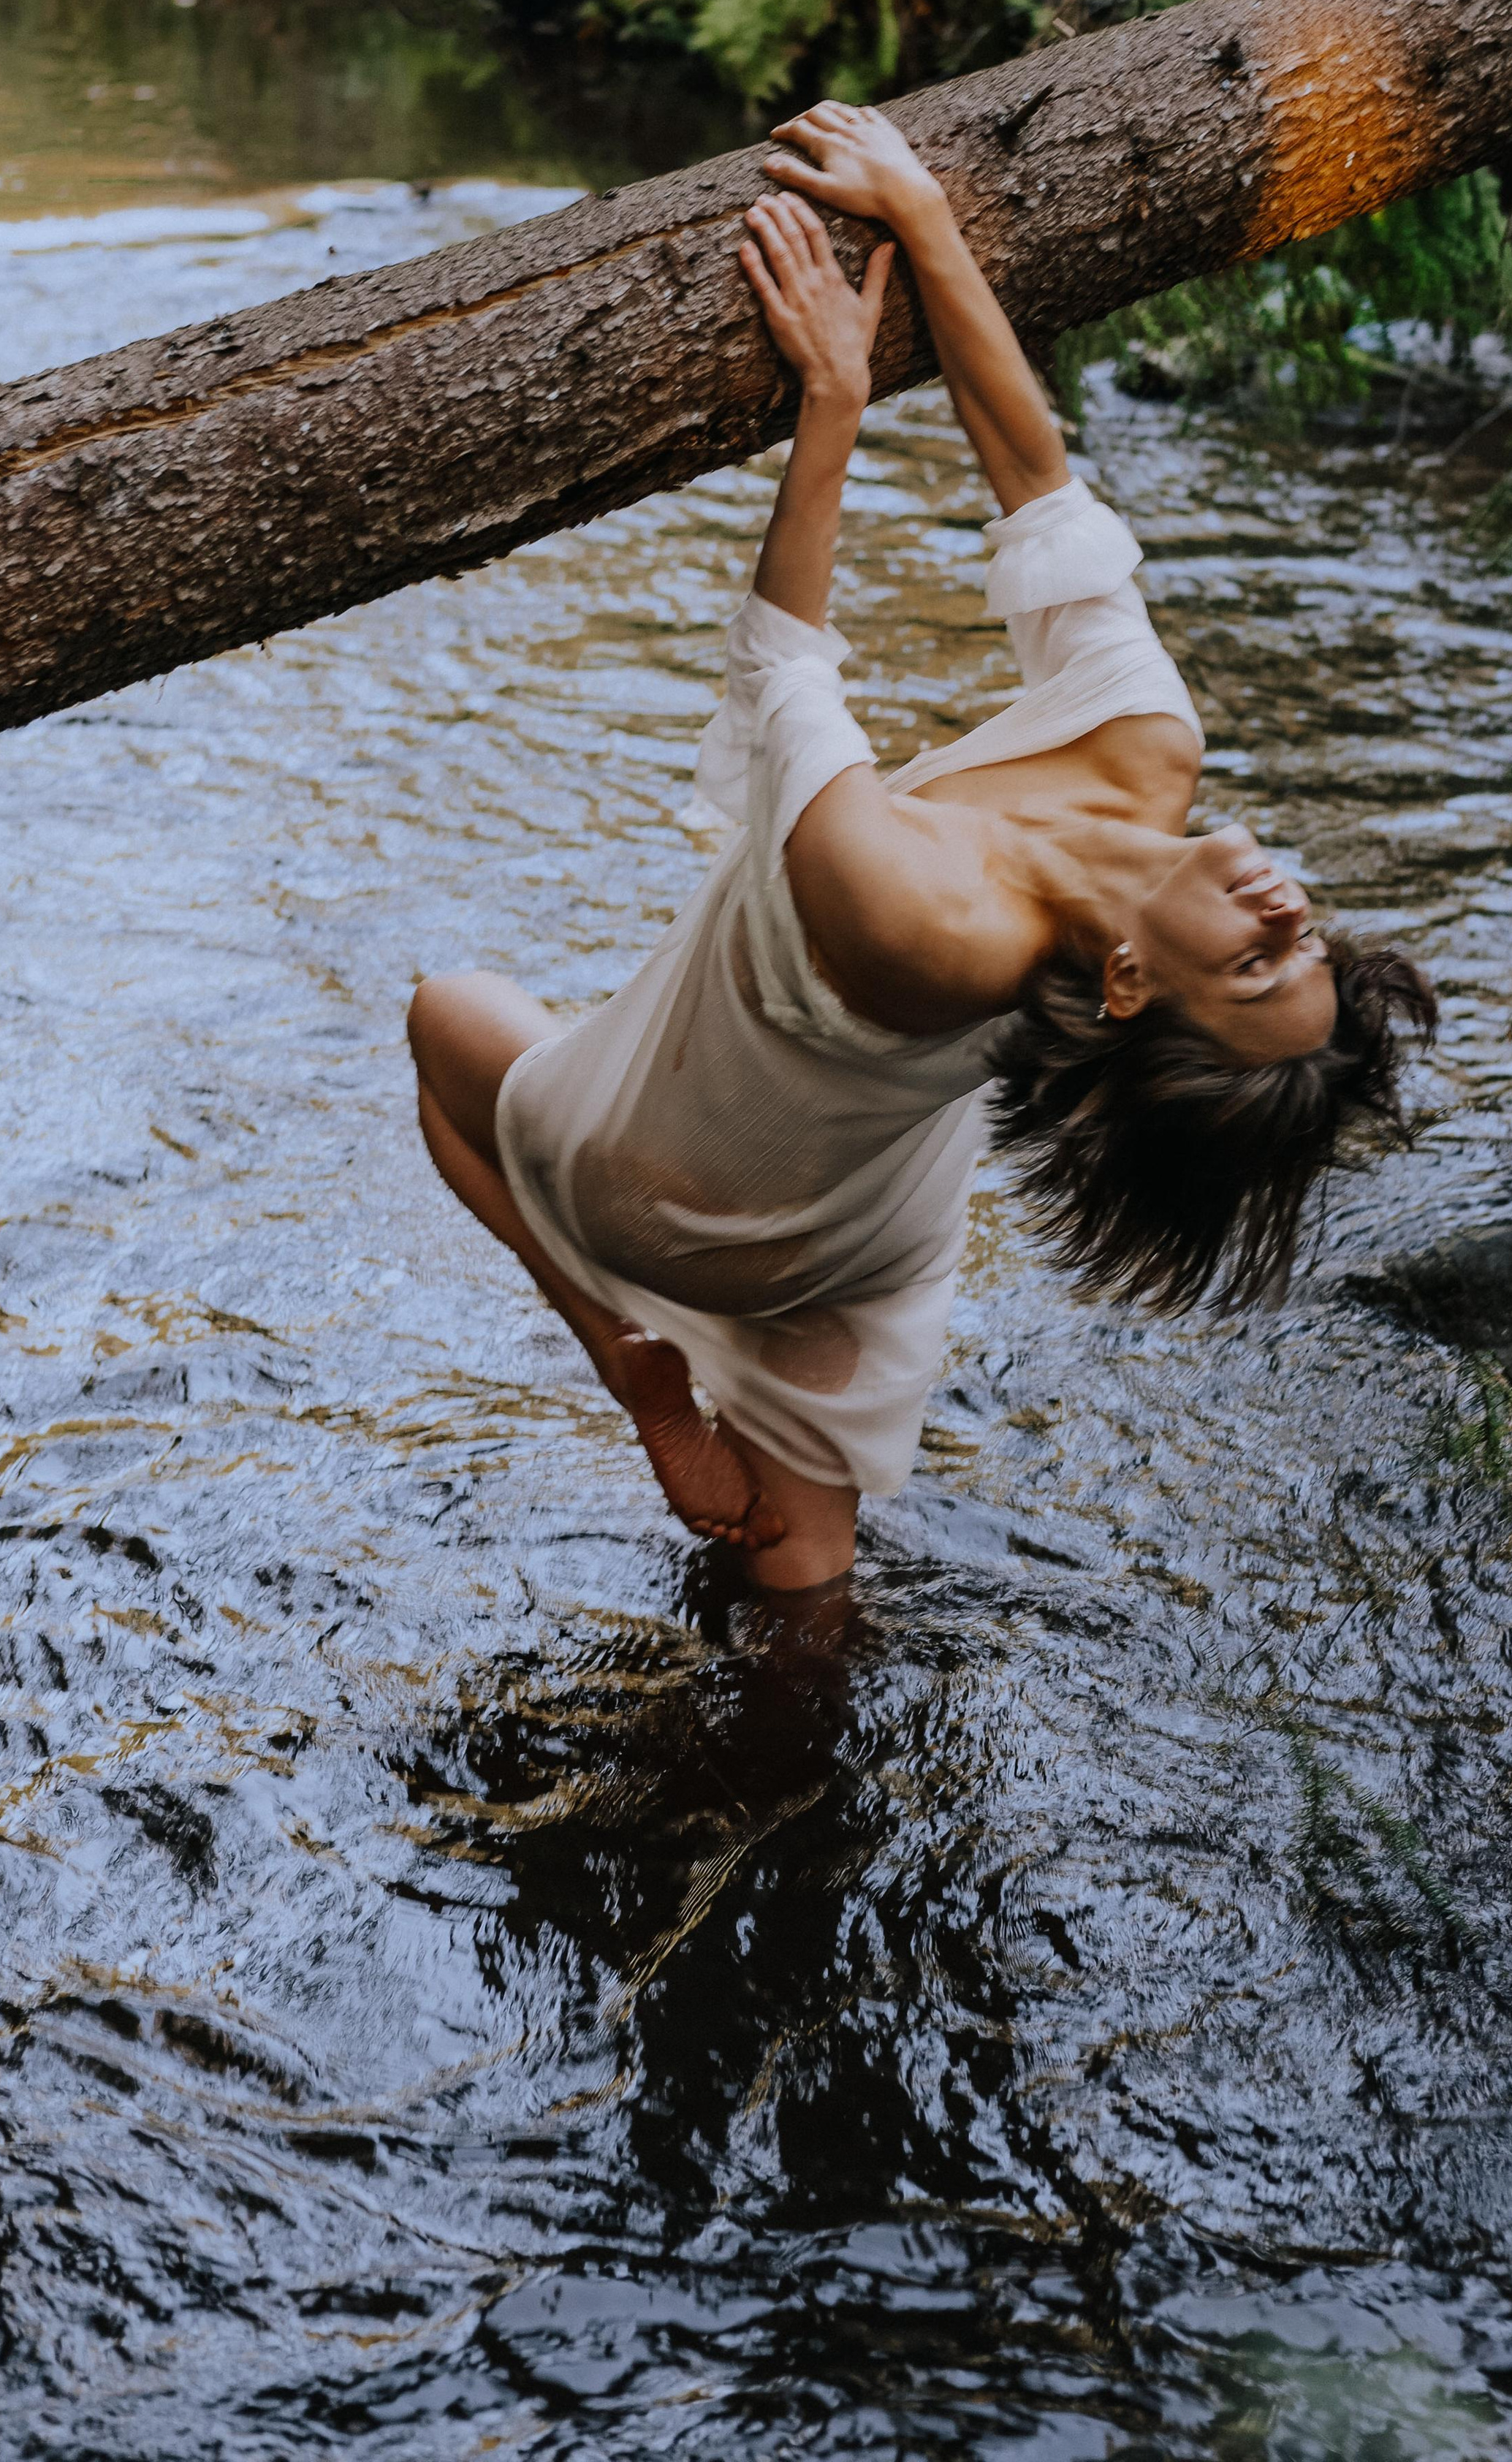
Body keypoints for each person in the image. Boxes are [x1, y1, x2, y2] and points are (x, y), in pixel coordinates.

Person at [408, 102, 1435, 1593]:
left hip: (681, 1198)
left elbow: (783, 675)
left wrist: (831, 395)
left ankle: (625, 1349)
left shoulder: (926, 927)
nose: (1288, 905)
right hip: (872, 1244)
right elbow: (1039, 486)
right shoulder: (1150, 748)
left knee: (441, 1018)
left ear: (1138, 982)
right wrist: (926, 218)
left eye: (1263, 953)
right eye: (1312, 939)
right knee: (802, 1583)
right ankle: (790, 1762)